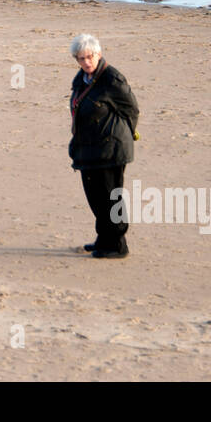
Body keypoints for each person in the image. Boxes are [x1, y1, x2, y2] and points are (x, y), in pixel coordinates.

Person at [68, 33, 139, 258]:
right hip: (89, 148)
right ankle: (103, 238)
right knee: (95, 197)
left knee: (111, 197)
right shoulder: (81, 80)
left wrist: (117, 134)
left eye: (90, 57)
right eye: (81, 58)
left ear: (99, 54)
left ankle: (117, 244)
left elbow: (131, 110)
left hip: (111, 149)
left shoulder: (112, 79)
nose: (86, 62)